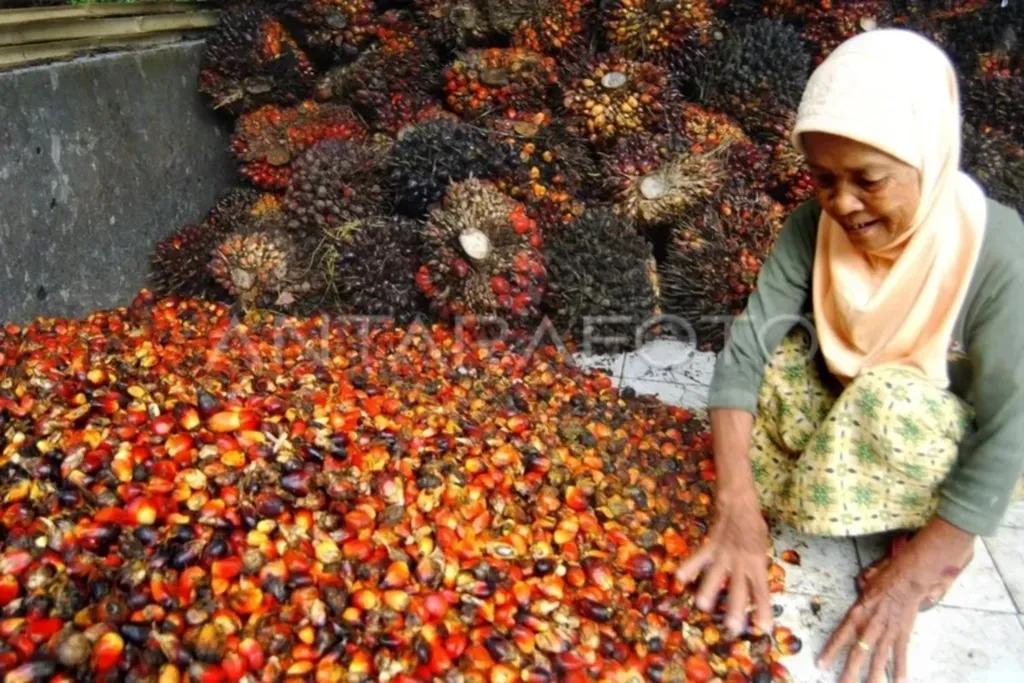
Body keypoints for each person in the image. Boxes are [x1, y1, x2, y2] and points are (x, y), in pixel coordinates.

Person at [675, 28, 1024, 683]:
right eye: (824, 178)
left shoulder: (997, 252)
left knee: (885, 401)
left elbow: (1013, 424)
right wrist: (736, 507)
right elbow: (746, 351)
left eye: (868, 179)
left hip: (935, 426)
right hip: (847, 394)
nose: (842, 203)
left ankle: (920, 525)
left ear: (930, 152)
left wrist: (925, 563)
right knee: (780, 369)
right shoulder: (815, 224)